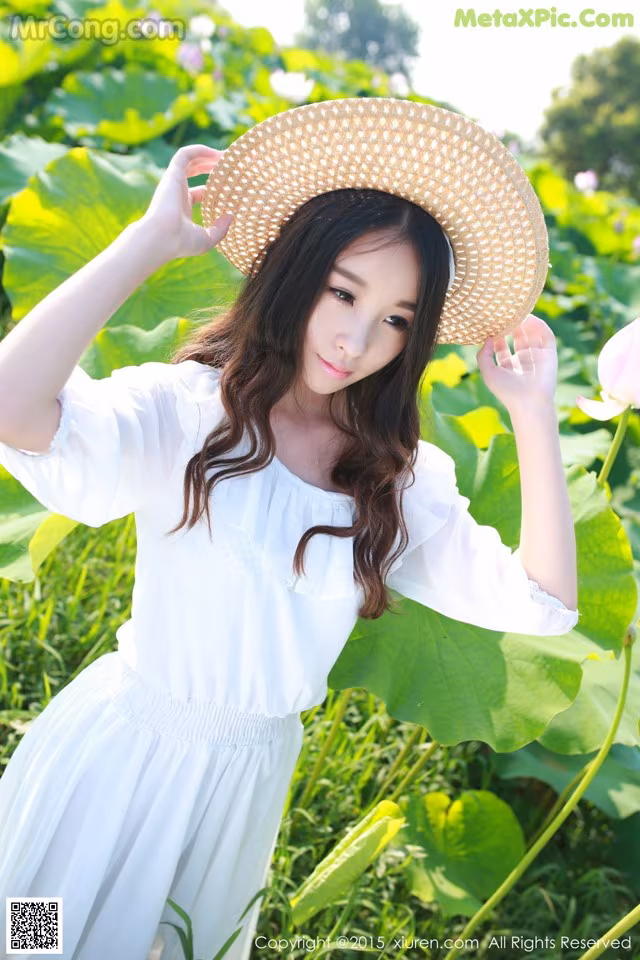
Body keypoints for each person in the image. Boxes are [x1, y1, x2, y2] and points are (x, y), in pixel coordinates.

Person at [0, 98, 580, 960]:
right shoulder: (196, 414)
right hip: (117, 762)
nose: (357, 338)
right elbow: (14, 406)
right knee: (36, 936)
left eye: (396, 319)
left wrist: (535, 416)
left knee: (172, 946)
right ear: (296, 272)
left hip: (242, 794)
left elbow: (544, 602)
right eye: (342, 291)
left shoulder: (390, 482)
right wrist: (148, 243)